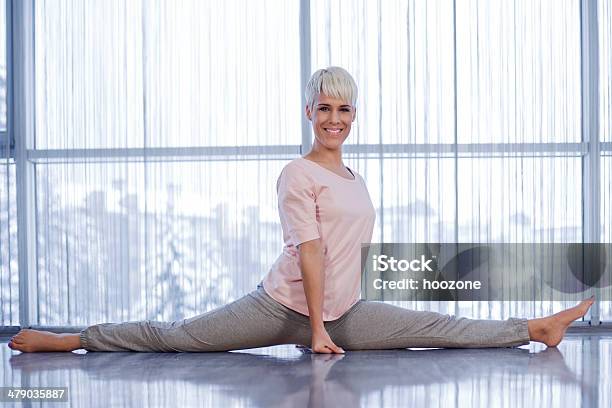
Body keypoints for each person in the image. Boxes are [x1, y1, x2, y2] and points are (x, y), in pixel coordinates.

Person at [8, 67, 594, 354]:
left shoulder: (352, 176)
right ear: (308, 112)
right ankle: (68, 341)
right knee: (177, 337)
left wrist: (335, 320)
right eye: (324, 108)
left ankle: (535, 328)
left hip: (346, 309)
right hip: (284, 306)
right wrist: (314, 329)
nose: (334, 118)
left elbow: (344, 254)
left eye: (344, 108)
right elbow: (309, 251)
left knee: (435, 328)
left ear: (353, 114)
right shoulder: (298, 174)